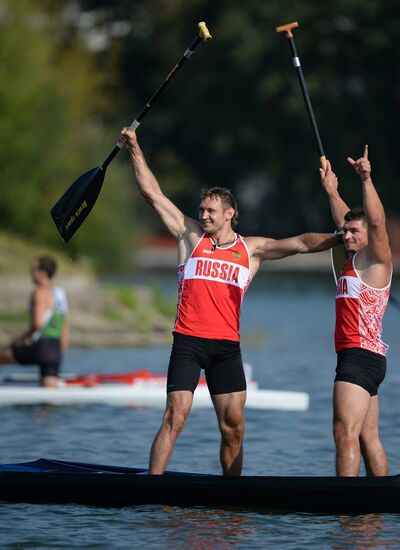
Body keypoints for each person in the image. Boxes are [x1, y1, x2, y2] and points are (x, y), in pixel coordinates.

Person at [121, 127, 342, 476]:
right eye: (202, 209)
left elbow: (300, 243)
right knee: (175, 416)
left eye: (211, 210)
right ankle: (153, 486)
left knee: (234, 427)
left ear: (229, 214)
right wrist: (134, 147)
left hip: (226, 347)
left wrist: (339, 237)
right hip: (189, 342)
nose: (204, 215)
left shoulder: (251, 250)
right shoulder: (189, 235)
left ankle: (231, 493)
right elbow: (152, 193)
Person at [320, 145, 392, 477]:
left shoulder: (374, 261)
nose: (346, 235)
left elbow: (375, 222)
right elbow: (346, 218)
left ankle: (346, 505)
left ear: (368, 238)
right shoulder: (353, 257)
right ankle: (382, 501)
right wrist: (332, 190)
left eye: (353, 233)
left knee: (344, 432)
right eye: (345, 232)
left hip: (358, 356)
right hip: (367, 358)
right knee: (368, 438)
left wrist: (366, 178)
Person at [0, 256, 69, 387]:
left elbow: (38, 323)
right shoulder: (60, 294)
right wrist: (60, 352)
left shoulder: (39, 292)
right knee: (48, 389)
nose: (30, 272)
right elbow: (64, 328)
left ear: (43, 273)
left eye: (33, 269)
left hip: (41, 347)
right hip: (55, 350)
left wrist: (20, 340)